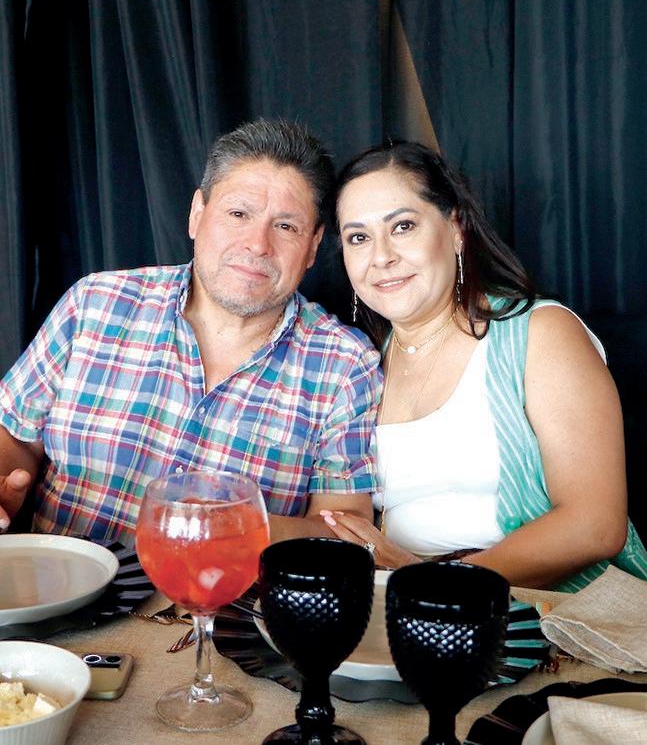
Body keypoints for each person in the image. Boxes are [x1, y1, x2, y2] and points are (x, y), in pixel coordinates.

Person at [0, 119, 382, 545]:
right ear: (197, 214)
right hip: (60, 581)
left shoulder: (345, 364)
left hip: (227, 590)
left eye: (286, 227)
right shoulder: (95, 303)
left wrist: (237, 526)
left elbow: (345, 529)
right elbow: (15, 434)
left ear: (313, 245)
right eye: (238, 214)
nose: (258, 244)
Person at [320, 140, 647, 592]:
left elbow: (595, 526)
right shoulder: (361, 365)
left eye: (402, 226)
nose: (381, 256)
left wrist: (431, 581)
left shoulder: (539, 332)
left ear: (456, 230)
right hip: (405, 608)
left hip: (539, 609)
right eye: (358, 237)